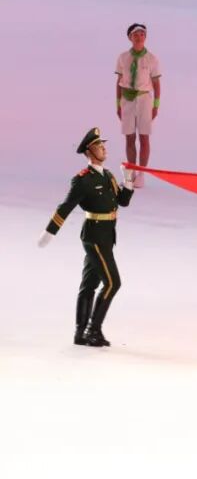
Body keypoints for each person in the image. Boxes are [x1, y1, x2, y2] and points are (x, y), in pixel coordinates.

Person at [37, 128, 136, 347]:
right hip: (94, 236)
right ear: (89, 152)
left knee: (90, 283)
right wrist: (49, 232)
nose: (103, 148)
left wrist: (128, 180)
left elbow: (122, 202)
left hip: (107, 235)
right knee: (112, 283)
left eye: (103, 144)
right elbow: (65, 207)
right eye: (98, 146)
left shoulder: (108, 176)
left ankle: (80, 333)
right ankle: (93, 330)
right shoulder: (83, 180)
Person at [114, 23, 161, 188]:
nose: (139, 37)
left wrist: (156, 105)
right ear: (130, 37)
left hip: (144, 99)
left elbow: (156, 83)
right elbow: (118, 82)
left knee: (144, 137)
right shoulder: (123, 58)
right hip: (127, 99)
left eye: (142, 34)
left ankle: (141, 174)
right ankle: (131, 172)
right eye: (135, 35)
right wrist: (118, 104)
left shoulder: (152, 59)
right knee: (129, 137)